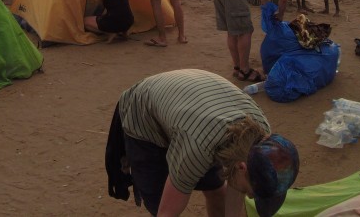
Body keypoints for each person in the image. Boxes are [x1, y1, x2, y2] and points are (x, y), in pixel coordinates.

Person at [105, 69, 300, 217]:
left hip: (196, 103)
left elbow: (234, 194)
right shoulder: (197, 149)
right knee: (159, 204)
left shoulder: (263, 139)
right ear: (241, 167)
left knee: (215, 188)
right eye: (252, 193)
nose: (250, 198)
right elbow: (167, 214)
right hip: (145, 114)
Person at [214, 0, 293, 83]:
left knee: (233, 31)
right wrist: (280, 16)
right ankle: (245, 71)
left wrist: (268, 13)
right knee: (245, 30)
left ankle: (237, 67)